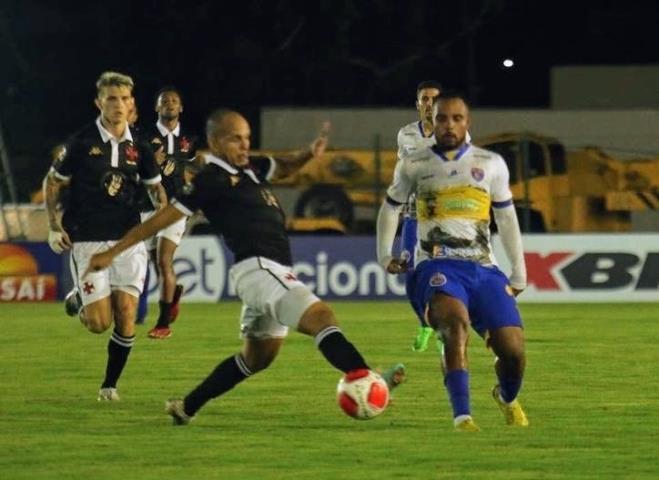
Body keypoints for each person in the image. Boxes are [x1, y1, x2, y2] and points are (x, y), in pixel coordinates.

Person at [86, 109, 406, 425]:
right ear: (214, 141)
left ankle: (187, 406)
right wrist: (113, 252)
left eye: (247, 138)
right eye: (235, 139)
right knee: (321, 317)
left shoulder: (252, 168)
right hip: (259, 268)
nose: (244, 145)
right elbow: (163, 218)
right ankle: (370, 379)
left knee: (258, 358)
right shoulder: (211, 178)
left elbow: (284, 167)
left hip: (268, 272)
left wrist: (310, 152)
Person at [377, 92, 528, 432]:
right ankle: (463, 417)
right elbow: (390, 207)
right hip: (436, 264)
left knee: (513, 350)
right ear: (433, 121)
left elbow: (505, 219)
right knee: (454, 328)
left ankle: (505, 397)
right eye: (442, 118)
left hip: (483, 267)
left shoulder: (490, 163)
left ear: (467, 123)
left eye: (456, 118)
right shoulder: (414, 163)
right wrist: (384, 254)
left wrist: (519, 269)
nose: (449, 125)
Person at [44, 71, 166, 402]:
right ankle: (80, 301)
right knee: (99, 323)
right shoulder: (81, 142)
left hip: (128, 239)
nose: (119, 105)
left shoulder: (140, 146)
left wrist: (162, 222)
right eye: (112, 98)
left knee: (127, 313)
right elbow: (53, 182)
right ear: (99, 102)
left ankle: (109, 386)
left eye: (125, 98)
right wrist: (54, 225)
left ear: (132, 103)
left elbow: (157, 192)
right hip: (88, 239)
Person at [139, 86, 199, 339]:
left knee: (164, 261)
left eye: (174, 101)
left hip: (175, 207)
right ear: (157, 108)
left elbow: (190, 170)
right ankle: (172, 295)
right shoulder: (143, 136)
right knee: (156, 265)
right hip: (147, 206)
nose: (170, 104)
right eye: (165, 101)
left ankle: (163, 324)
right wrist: (153, 161)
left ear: (181, 107)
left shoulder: (190, 139)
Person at [396, 80, 442, 352]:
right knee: (410, 275)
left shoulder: (454, 133)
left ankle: (443, 331)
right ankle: (424, 323)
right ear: (417, 104)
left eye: (434, 99)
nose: (429, 104)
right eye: (425, 99)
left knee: (439, 273)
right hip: (413, 215)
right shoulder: (406, 135)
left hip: (442, 218)